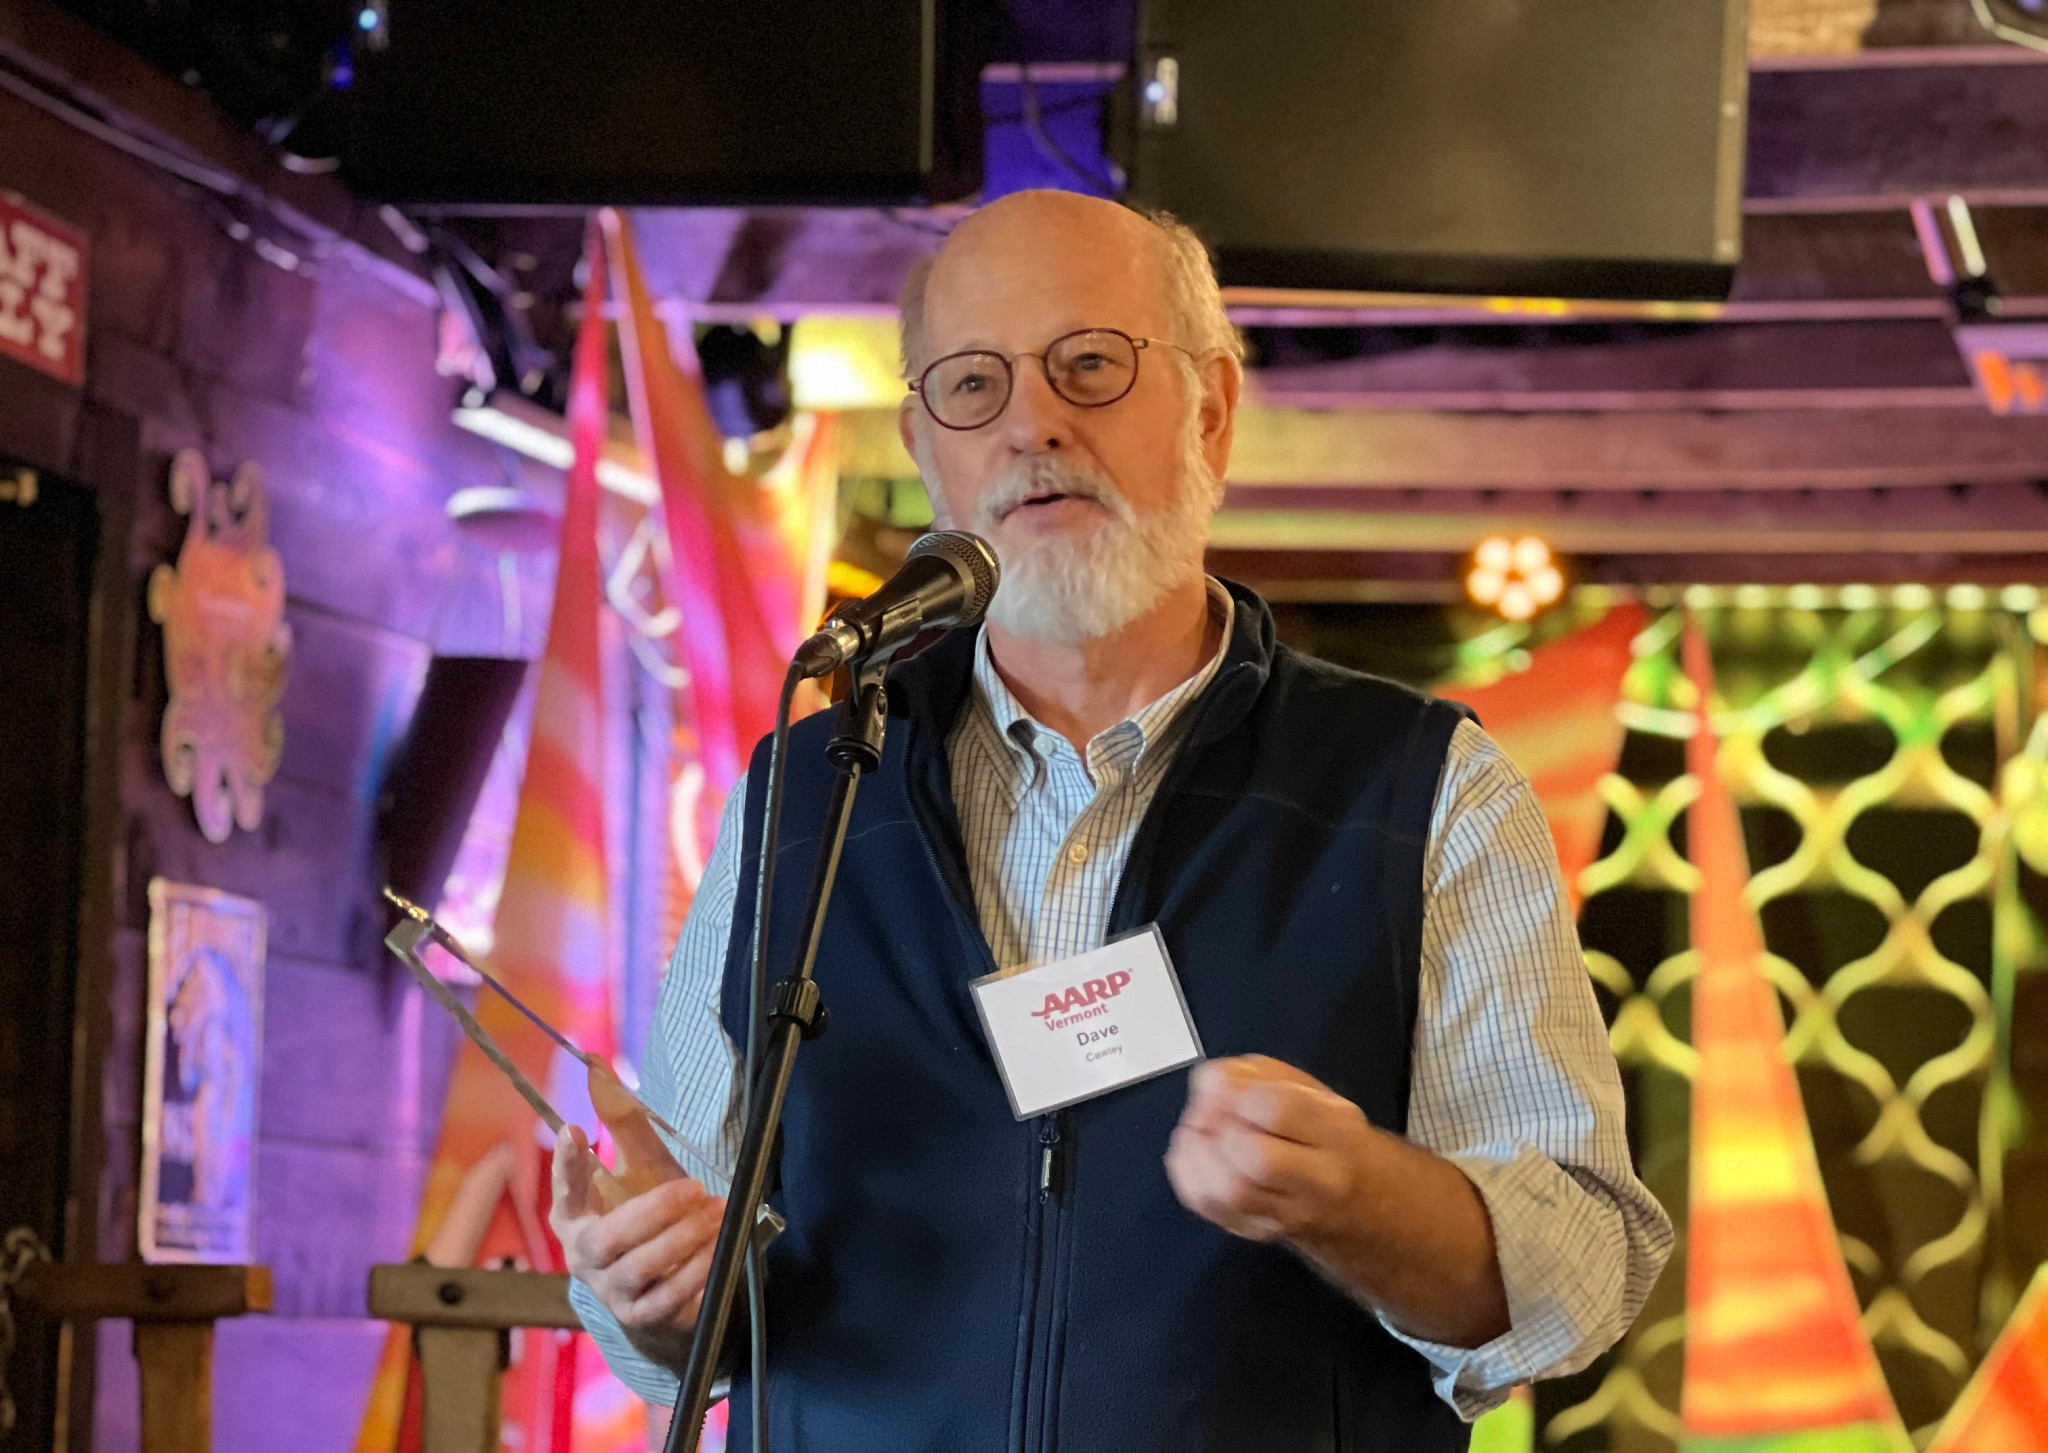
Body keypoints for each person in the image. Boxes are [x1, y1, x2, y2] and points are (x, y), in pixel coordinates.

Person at [553, 189, 1672, 1452]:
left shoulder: (1423, 790)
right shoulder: (805, 795)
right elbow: (682, 1299)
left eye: (1089, 364)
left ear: (1210, 409)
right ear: (924, 447)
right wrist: (647, 1291)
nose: (1032, 422)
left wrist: (1361, 1195)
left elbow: (1578, 1272)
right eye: (972, 383)